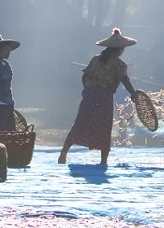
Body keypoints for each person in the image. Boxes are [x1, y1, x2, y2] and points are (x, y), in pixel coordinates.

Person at [57, 28, 137, 166]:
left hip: (90, 96)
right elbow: (125, 81)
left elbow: (85, 77)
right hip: (105, 98)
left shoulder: (96, 59)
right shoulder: (120, 64)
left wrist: (88, 90)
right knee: (104, 128)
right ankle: (103, 161)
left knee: (80, 124)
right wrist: (134, 94)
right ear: (119, 49)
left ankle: (63, 153)